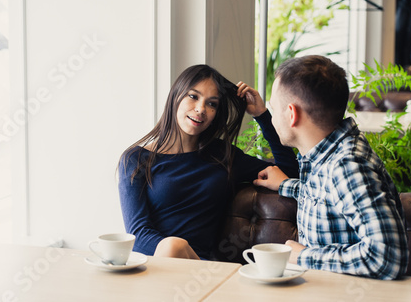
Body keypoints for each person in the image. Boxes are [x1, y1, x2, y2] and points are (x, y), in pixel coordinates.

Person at [118, 64, 298, 260]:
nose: (201, 109)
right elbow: (138, 233)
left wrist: (261, 115)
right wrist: (172, 249)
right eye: (193, 96)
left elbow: (288, 170)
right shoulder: (135, 159)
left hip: (200, 268)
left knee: (175, 246)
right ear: (175, 96)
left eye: (212, 104)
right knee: (173, 246)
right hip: (153, 264)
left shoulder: (223, 156)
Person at [253, 55, 409, 280]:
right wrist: (288, 185)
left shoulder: (347, 166)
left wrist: (305, 256)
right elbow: (328, 195)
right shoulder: (327, 155)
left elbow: (388, 256)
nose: (273, 117)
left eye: (274, 109)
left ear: (292, 114)